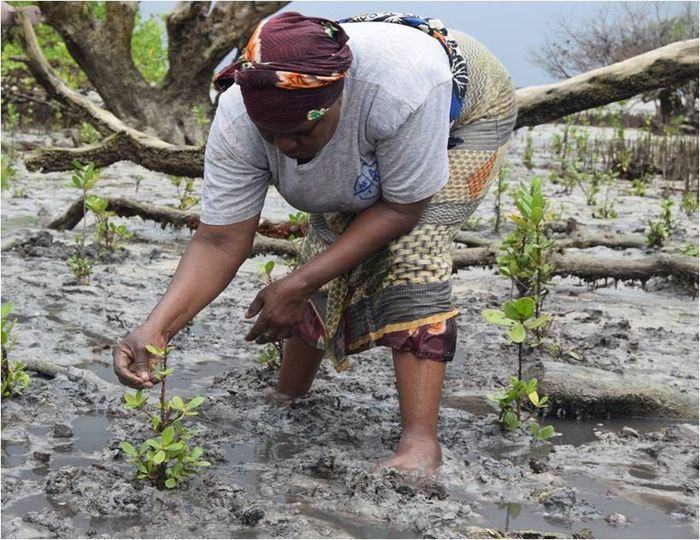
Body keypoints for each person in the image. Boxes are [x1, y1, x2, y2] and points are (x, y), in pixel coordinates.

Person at [113, 11, 516, 474]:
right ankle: (288, 392)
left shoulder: (399, 89)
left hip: (468, 107)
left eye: (302, 132)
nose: (285, 147)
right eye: (272, 135)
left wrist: (298, 284)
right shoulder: (238, 116)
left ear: (338, 100)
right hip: (377, 107)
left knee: (412, 251)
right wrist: (157, 327)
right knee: (326, 245)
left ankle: (421, 444)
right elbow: (220, 239)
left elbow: (403, 209)